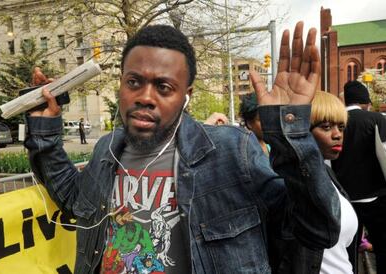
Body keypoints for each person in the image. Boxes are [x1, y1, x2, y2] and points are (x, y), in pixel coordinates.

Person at [25, 22, 340, 274]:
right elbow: (74, 200)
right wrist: (44, 128)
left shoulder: (232, 152)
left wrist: (288, 130)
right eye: (134, 82)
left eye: (163, 87)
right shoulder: (108, 149)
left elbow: (317, 230)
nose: (145, 96)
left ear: (186, 95)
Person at [332, 80, 386, 274]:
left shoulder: (336, 121)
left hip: (345, 198)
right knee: (381, 243)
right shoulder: (377, 119)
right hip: (375, 196)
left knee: (349, 248)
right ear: (365, 101)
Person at [310, 91, 358, 274]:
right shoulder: (295, 181)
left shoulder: (327, 173)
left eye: (341, 127)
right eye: (326, 126)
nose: (338, 135)